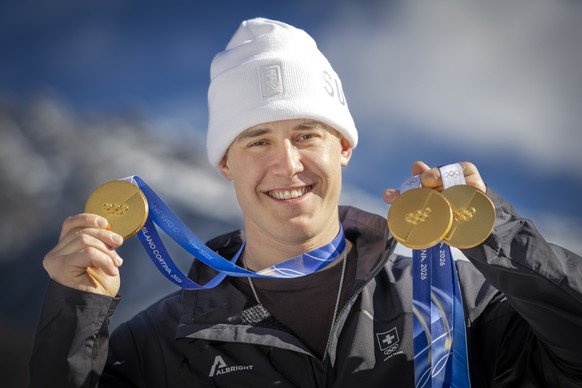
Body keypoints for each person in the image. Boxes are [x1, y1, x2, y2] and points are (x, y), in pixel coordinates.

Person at [29, 17, 582, 388]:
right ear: (226, 163)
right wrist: (74, 319)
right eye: (258, 140)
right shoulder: (157, 345)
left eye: (307, 134)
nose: (287, 164)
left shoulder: (458, 298)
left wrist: (496, 236)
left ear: (343, 147)